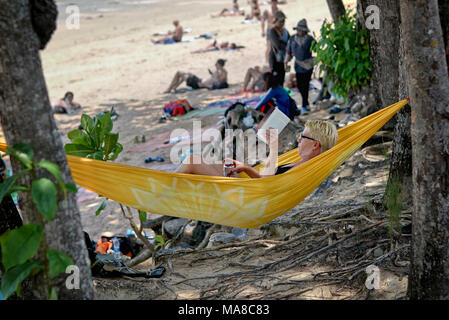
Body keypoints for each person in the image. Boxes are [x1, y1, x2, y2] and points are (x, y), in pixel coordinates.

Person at [176, 119, 338, 178]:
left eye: (303, 137)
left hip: (245, 196)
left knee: (193, 161)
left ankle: (162, 189)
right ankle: (163, 184)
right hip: (246, 187)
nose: (298, 139)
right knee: (208, 163)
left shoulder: (306, 168)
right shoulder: (302, 162)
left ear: (315, 145)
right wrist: (242, 167)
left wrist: (246, 168)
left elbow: (267, 184)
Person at [284, 19, 316, 115]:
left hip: (308, 65)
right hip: (298, 65)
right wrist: (286, 62)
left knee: (305, 85)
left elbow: (317, 49)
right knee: (299, 85)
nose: (300, 31)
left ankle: (304, 105)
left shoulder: (310, 39)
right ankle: (305, 104)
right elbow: (288, 52)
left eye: (302, 30)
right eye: (299, 29)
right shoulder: (292, 39)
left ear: (305, 31)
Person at [164, 59, 228, 93]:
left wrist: (204, 85)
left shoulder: (222, 73)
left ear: (219, 64)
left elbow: (220, 82)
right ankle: (173, 88)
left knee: (179, 73)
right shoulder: (219, 72)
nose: (215, 65)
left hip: (198, 84)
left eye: (216, 64)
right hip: (199, 80)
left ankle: (169, 88)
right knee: (184, 75)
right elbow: (216, 79)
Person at [268, 11, 289, 86]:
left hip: (283, 59)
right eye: (280, 21)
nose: (282, 23)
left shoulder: (285, 32)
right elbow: (278, 45)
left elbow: (290, 42)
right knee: (275, 82)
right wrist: (288, 46)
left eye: (283, 21)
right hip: (275, 60)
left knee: (281, 81)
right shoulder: (273, 31)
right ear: (276, 21)